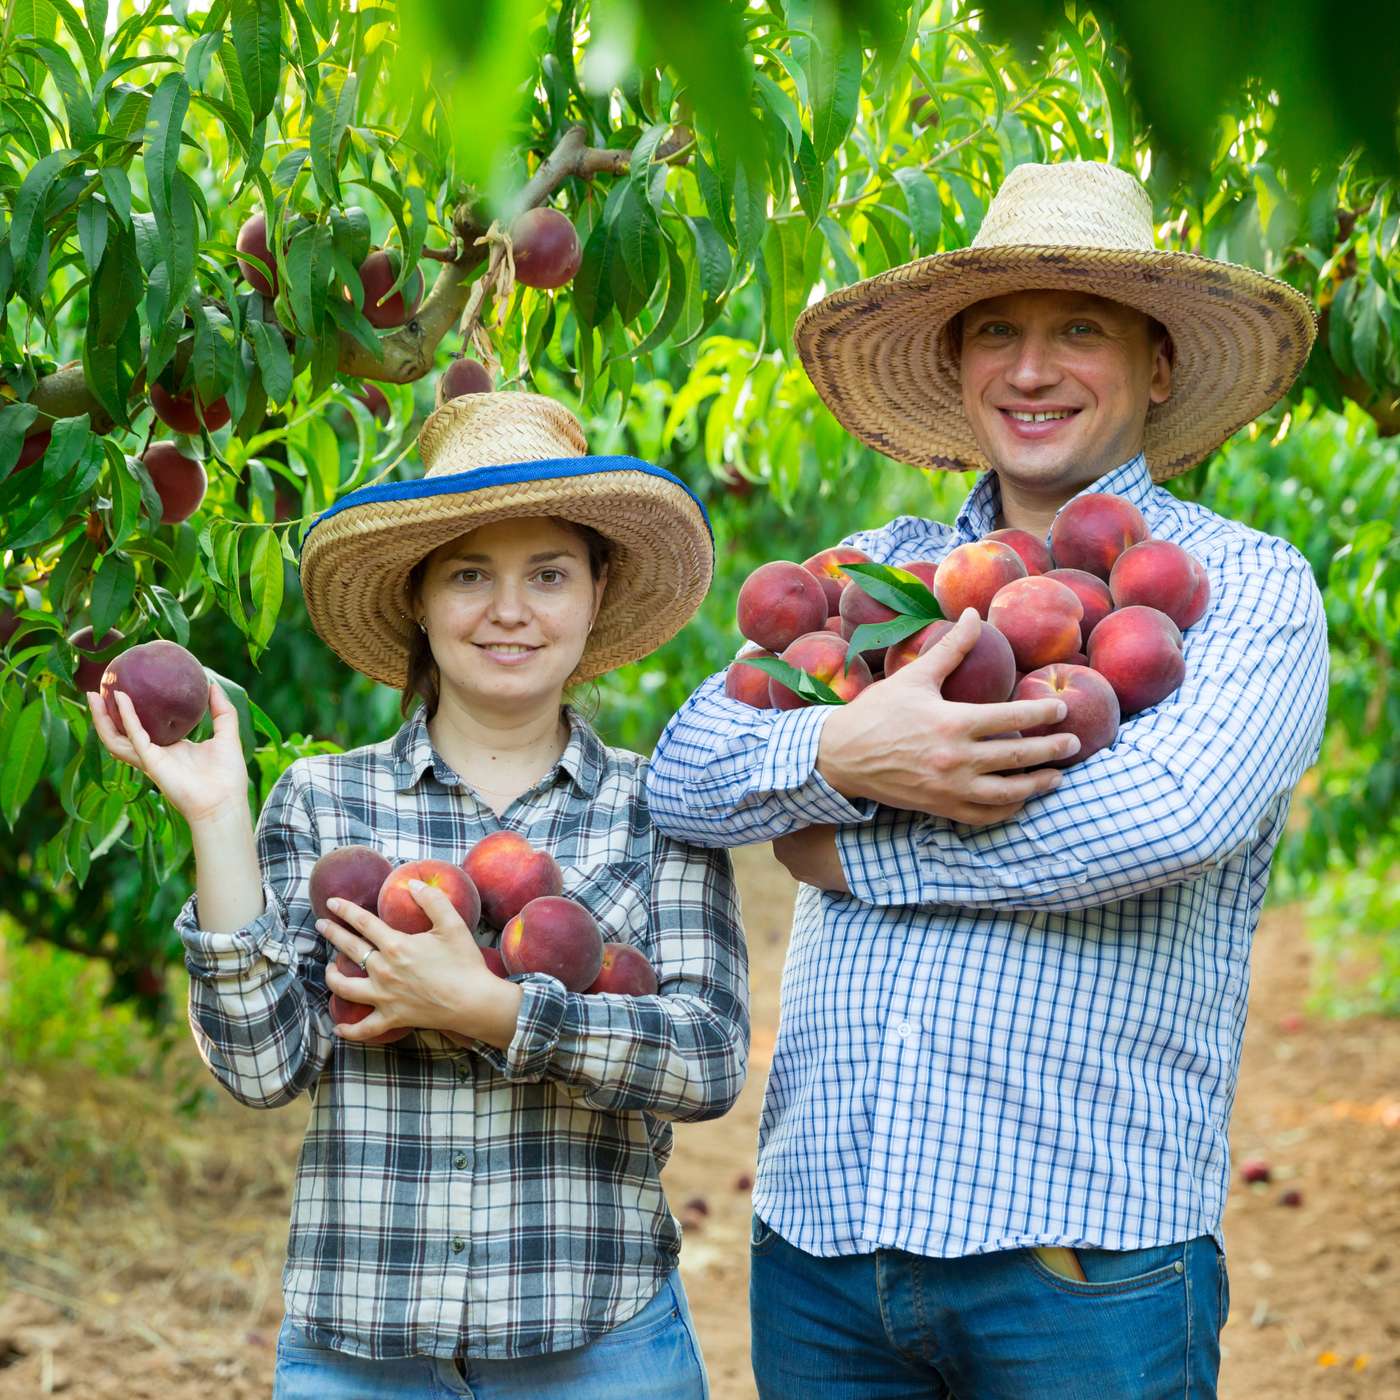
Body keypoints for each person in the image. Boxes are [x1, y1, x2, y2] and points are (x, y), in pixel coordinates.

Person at [646, 160, 1328, 1398]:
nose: (1030, 368)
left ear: (1157, 366)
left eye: (1079, 329)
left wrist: (850, 848)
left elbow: (1165, 818)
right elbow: (687, 772)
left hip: (1079, 1258)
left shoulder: (1243, 588)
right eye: (997, 333)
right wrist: (842, 750)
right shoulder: (885, 580)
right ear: (958, 366)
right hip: (826, 1244)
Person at [88, 390, 745, 1400]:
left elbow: (706, 1057)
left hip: (596, 1341)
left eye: (549, 574)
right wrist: (218, 819)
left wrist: (496, 1009)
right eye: (469, 574)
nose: (509, 609)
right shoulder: (324, 798)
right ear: (419, 599)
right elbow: (263, 1068)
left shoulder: (655, 804)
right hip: (360, 1349)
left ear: (596, 593)